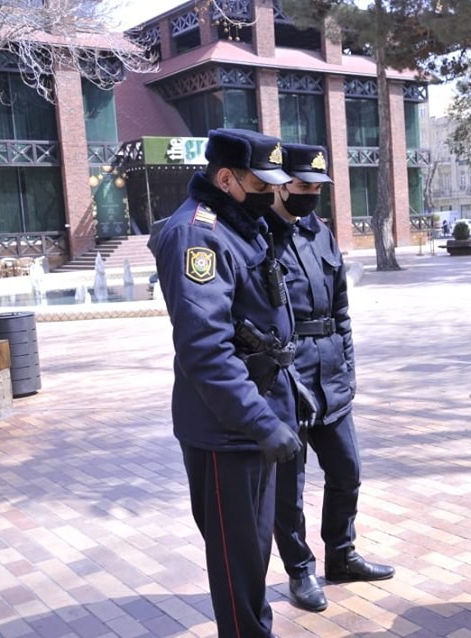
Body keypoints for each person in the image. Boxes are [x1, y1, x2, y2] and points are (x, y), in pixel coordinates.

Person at [148, 128, 303, 637]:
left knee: (254, 550)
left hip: (256, 414)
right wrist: (261, 421)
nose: (271, 193)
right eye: (261, 183)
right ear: (226, 178)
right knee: (238, 560)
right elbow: (206, 349)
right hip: (228, 428)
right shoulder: (199, 234)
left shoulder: (242, 223)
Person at [266, 143, 394, 613]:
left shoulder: (322, 233)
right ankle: (300, 572)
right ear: (281, 184)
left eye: (318, 186)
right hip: (286, 381)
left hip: (331, 376)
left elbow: (341, 310)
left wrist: (349, 368)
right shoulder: (260, 235)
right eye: (303, 186)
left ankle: (341, 555)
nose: (311, 194)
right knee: (288, 491)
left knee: (347, 471)